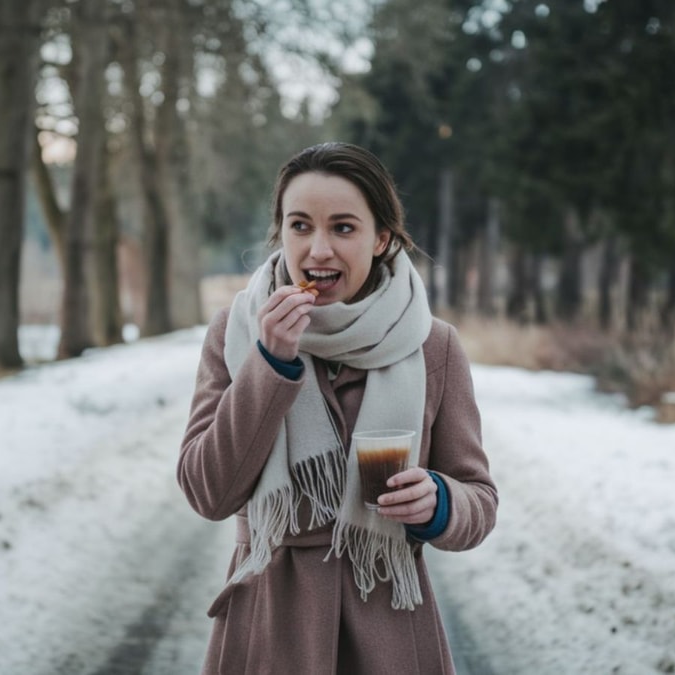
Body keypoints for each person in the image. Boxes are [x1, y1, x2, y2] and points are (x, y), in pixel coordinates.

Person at [177, 141, 497, 674]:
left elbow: (479, 502)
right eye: (300, 226)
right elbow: (208, 493)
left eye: (343, 228)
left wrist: (438, 501)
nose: (318, 250)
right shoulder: (237, 332)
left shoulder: (432, 345)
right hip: (269, 629)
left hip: (390, 629)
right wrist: (270, 363)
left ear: (382, 239)